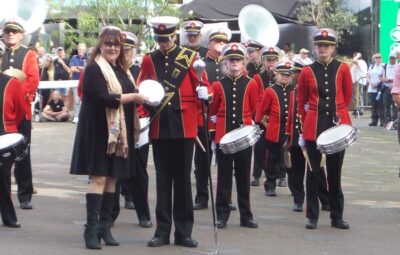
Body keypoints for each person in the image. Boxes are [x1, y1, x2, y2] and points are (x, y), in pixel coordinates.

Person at [69, 26, 149, 249]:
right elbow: (104, 98)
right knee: (99, 178)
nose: (112, 48)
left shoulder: (123, 70)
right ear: (100, 46)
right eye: (108, 44)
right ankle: (91, 230)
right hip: (98, 132)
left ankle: (105, 227)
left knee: (112, 178)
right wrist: (134, 96)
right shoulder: (94, 68)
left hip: (118, 134)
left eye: (116, 44)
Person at [137, 16, 210, 248]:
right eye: (160, 40)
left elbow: (205, 86)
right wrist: (144, 107)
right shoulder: (149, 59)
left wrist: (205, 93)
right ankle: (162, 231)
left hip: (185, 125)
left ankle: (183, 232)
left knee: (183, 181)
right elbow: (143, 89)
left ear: (174, 35)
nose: (164, 44)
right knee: (163, 181)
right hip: (160, 126)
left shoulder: (189, 57)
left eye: (167, 39)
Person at [297, 28, 353, 230]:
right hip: (314, 125)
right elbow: (301, 100)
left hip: (336, 124)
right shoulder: (306, 71)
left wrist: (339, 114)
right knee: (313, 173)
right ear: (315, 47)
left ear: (333, 48)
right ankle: (312, 216)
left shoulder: (343, 69)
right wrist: (303, 127)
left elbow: (346, 97)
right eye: (320, 45)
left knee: (335, 173)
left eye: (327, 46)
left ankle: (336, 216)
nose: (323, 49)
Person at [209, 43, 258, 229]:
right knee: (223, 176)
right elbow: (212, 113)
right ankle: (222, 214)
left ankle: (246, 216)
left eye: (238, 59)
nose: (235, 62)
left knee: (244, 176)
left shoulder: (251, 84)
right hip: (223, 134)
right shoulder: (218, 84)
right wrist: (215, 137)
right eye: (231, 60)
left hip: (243, 134)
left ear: (244, 61)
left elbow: (253, 110)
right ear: (225, 62)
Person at [193, 26, 236, 211]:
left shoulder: (231, 64)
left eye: (223, 41)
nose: (220, 44)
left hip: (224, 121)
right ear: (209, 43)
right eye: (217, 41)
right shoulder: (201, 64)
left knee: (226, 163)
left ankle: (225, 199)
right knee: (202, 160)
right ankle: (201, 197)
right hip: (204, 117)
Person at [112, 31, 152, 228]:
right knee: (114, 170)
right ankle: (110, 213)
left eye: (128, 50)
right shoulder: (109, 69)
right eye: (122, 49)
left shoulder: (140, 71)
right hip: (116, 125)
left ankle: (143, 213)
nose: (125, 54)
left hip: (139, 125)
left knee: (139, 171)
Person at [1, 18, 39, 210]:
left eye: (14, 32)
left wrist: (16, 99)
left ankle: (25, 194)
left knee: (22, 154)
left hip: (21, 112)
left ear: (21, 34)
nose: (10, 34)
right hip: (2, 113)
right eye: (7, 31)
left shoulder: (28, 54)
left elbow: (32, 80)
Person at [284, 59, 329, 212]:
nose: (293, 75)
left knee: (317, 169)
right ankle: (298, 199)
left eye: (296, 72)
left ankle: (325, 199)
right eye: (293, 73)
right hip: (297, 135)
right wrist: (289, 135)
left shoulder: (313, 89)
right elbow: (291, 114)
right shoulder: (293, 92)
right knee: (296, 170)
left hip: (311, 133)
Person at [255, 61, 294, 196]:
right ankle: (270, 185)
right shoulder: (270, 90)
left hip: (290, 131)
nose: (285, 77)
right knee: (272, 158)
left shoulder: (294, 90)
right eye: (282, 74)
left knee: (291, 160)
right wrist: (262, 123)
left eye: (288, 75)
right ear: (276, 74)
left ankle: (295, 187)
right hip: (275, 129)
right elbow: (262, 111)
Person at [0, 41, 26, 228]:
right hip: (6, 132)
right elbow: (20, 112)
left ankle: (9, 216)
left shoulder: (12, 82)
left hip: (5, 135)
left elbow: (21, 112)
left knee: (3, 178)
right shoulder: (11, 82)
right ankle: (9, 217)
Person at [251, 46, 280, 187]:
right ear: (263, 61)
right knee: (259, 148)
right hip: (261, 117)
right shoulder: (257, 77)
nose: (271, 63)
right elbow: (255, 97)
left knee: (279, 148)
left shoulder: (282, 76)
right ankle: (256, 174)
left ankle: (281, 175)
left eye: (274, 60)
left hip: (277, 118)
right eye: (268, 60)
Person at [70, 42, 88, 123]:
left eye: (81, 49)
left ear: (84, 50)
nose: (80, 51)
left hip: (85, 81)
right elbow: (72, 69)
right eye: (79, 49)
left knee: (84, 99)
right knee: (76, 100)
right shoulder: (74, 57)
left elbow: (88, 69)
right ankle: (76, 116)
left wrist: (77, 67)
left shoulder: (88, 57)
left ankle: (83, 116)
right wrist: (82, 69)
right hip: (75, 81)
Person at [367, 53, 385, 126]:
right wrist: (371, 83)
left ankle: (383, 121)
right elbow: (368, 76)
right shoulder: (371, 66)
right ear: (373, 59)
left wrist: (377, 83)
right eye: (376, 57)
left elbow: (384, 76)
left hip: (380, 89)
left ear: (381, 58)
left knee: (381, 105)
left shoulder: (384, 66)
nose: (377, 59)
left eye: (379, 57)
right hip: (372, 89)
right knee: (373, 106)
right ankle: (374, 121)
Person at [350, 52, 368, 116]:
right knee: (355, 96)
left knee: (358, 95)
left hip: (358, 82)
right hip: (355, 82)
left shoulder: (361, 62)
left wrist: (357, 55)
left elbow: (354, 60)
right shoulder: (357, 63)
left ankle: (360, 110)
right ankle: (356, 108)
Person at [381, 52, 397, 125]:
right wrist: (384, 79)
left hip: (395, 88)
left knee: (395, 105)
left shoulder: (398, 66)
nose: (392, 59)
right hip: (386, 88)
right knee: (386, 105)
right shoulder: (385, 66)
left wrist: (390, 80)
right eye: (391, 58)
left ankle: (395, 121)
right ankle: (387, 121)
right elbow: (381, 77)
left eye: (393, 58)